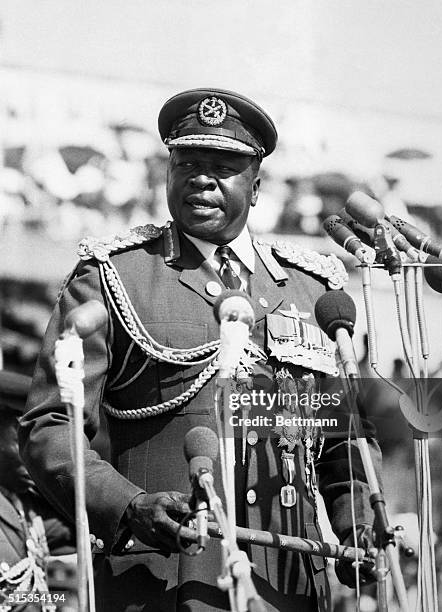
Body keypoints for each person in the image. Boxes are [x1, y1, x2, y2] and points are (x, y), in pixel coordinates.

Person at [19, 88, 380, 612]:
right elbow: (48, 427)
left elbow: (344, 437)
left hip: (290, 587)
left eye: (224, 166)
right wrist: (130, 506)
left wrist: (358, 528)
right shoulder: (114, 276)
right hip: (161, 583)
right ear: (167, 174)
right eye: (187, 162)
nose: (202, 178)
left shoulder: (313, 290)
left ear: (255, 188)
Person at [0, 370, 74, 611]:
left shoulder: (23, 501)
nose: (37, 460)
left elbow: (72, 542)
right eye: (27, 443)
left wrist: (66, 603)